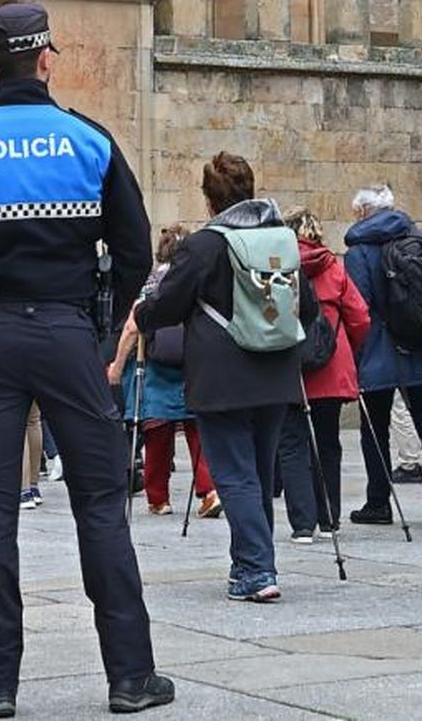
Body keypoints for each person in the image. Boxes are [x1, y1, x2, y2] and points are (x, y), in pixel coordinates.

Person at [0, 2, 172, 716]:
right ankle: (130, 677)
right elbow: (135, 248)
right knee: (100, 507)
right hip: (67, 332)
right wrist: (98, 326)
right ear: (45, 59)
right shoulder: (88, 141)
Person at [130, 152, 319, 601]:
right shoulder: (282, 238)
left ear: (210, 199)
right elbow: (307, 308)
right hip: (275, 371)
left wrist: (142, 311)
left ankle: (257, 570)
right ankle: (249, 564)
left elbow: (170, 303)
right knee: (255, 468)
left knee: (235, 474)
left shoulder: (204, 245)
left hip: (222, 375)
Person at [344, 184, 422, 529]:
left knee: (375, 428)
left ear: (364, 212)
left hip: (380, 347)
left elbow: (359, 307)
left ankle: (378, 501)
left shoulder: (359, 252)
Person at [107, 226, 219, 519]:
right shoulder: (198, 279)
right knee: (198, 433)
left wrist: (117, 367)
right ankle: (209, 491)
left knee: (157, 433)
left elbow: (133, 328)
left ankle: (159, 498)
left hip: (157, 370)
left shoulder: (151, 284)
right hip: (193, 368)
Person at [278, 206, 370, 541]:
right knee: (328, 442)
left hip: (291, 367)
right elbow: (360, 316)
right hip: (331, 366)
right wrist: (344, 346)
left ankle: (303, 524)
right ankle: (329, 517)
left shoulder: (280, 266)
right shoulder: (334, 267)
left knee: (292, 444)